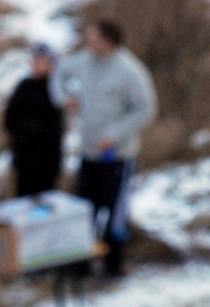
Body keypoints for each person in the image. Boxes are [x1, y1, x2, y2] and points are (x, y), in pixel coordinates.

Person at [51, 19, 157, 276]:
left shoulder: (130, 71)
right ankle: (82, 265)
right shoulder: (84, 61)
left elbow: (146, 109)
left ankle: (113, 267)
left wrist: (114, 134)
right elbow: (59, 73)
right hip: (88, 153)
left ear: (108, 42)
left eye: (93, 38)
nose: (87, 42)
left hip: (118, 156)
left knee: (114, 216)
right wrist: (64, 99)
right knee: (85, 211)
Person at [3, 44, 64, 198]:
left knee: (46, 201)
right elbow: (9, 119)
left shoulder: (55, 88)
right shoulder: (24, 87)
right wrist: (22, 132)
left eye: (40, 61)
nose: (35, 64)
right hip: (24, 158)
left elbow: (55, 125)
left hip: (47, 161)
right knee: (22, 201)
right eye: (34, 60)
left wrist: (33, 129)